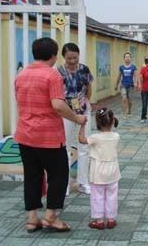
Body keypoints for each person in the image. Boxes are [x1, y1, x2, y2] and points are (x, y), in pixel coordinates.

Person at [15, 37, 86, 233]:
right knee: (59, 175)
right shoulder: (52, 75)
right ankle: (51, 216)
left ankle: (32, 219)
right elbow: (58, 105)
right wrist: (76, 118)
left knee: (32, 176)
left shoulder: (21, 75)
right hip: (48, 136)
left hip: (24, 135)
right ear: (54, 56)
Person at [57, 43, 93, 195]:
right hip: (66, 112)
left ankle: (83, 182)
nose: (72, 61)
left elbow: (89, 88)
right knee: (65, 147)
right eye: (69, 58)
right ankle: (64, 184)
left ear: (79, 55)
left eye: (75, 57)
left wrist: (87, 102)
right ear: (63, 57)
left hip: (83, 111)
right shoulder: (58, 71)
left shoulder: (84, 69)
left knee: (84, 146)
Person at [79, 108, 120, 230]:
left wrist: (82, 126)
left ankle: (99, 220)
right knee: (112, 195)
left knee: (97, 195)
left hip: (98, 172)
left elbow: (81, 140)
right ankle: (111, 219)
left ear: (97, 122)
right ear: (112, 121)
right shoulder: (116, 136)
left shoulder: (95, 137)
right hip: (113, 171)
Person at [114, 53, 138, 117]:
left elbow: (135, 76)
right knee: (124, 98)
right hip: (123, 85)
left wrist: (135, 83)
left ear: (130, 58)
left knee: (129, 100)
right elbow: (119, 76)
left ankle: (129, 111)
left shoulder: (133, 67)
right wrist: (116, 85)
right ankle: (124, 113)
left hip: (130, 85)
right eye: (126, 57)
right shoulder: (121, 67)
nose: (127, 58)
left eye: (128, 57)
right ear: (124, 58)